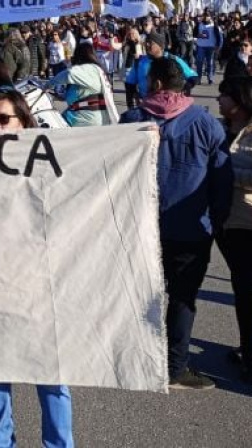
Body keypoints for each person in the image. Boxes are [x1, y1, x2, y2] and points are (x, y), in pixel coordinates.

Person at [120, 57, 233, 390]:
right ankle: (175, 366)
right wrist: (216, 221)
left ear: (155, 84)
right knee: (182, 298)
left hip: (138, 227)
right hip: (190, 228)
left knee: (136, 293)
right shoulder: (206, 124)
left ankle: (130, 355)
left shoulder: (131, 120)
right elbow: (221, 180)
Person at [0, 89, 74, 448]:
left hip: (38, 283)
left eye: (4, 118)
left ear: (24, 121)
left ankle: (58, 444)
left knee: (51, 374)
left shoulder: (46, 160)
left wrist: (139, 138)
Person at [216, 76, 252, 384]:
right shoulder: (219, 129)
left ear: (238, 102)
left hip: (247, 220)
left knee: (247, 291)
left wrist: (227, 173)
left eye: (224, 96)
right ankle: (246, 347)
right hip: (226, 222)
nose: (218, 101)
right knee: (241, 289)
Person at [48, 43, 119, 127]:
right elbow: (83, 92)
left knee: (52, 125)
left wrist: (47, 85)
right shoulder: (97, 69)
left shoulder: (88, 69)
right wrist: (61, 96)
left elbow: (69, 74)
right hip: (101, 117)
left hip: (85, 117)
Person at [125, 32, 197, 103]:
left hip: (170, 106)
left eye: (150, 43)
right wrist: (132, 101)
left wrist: (184, 91)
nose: (147, 44)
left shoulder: (173, 60)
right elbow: (129, 84)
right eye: (146, 42)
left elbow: (193, 77)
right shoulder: (139, 62)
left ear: (160, 46)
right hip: (146, 105)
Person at [194, 12, 223, 85]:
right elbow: (194, 34)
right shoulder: (199, 24)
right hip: (201, 46)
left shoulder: (214, 25)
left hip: (211, 47)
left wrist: (218, 46)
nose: (206, 17)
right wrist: (198, 35)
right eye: (205, 16)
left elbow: (219, 37)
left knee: (210, 63)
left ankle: (210, 78)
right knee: (199, 63)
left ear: (210, 17)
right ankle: (199, 78)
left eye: (208, 16)